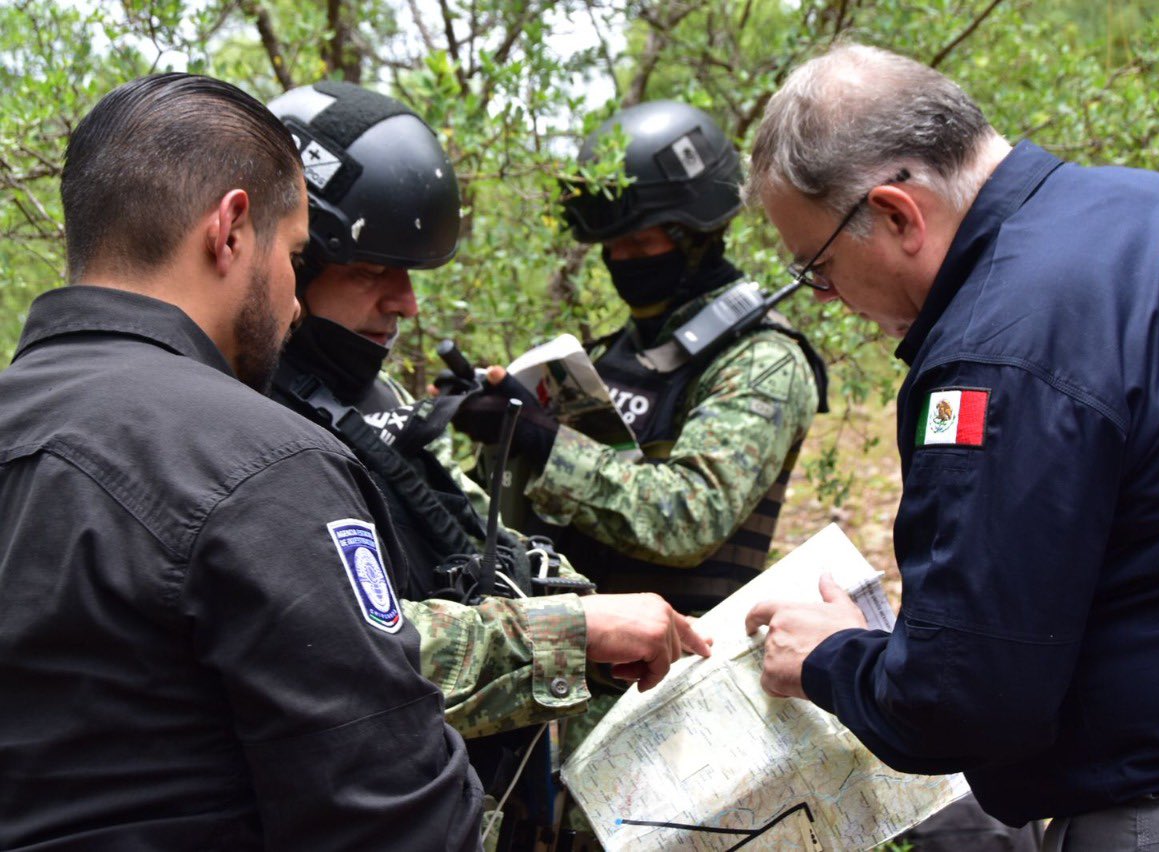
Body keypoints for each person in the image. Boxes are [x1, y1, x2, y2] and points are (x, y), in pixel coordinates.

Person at [743, 43, 1159, 849]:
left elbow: (968, 699)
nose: (828, 299)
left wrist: (829, 659)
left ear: (895, 214)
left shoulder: (996, 346)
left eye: (818, 268)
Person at [0, 73, 484, 850]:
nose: (294, 301)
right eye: (295, 254)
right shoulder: (266, 464)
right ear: (230, 231)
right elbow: (400, 817)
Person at [264, 82, 711, 849]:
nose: (406, 304)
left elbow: (469, 537)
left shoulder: (368, 391)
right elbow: (340, 657)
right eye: (374, 274)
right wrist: (573, 631)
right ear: (297, 263)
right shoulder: (246, 425)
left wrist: (579, 615)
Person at [455, 100, 827, 616]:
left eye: (641, 242)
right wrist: (500, 437)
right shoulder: (608, 355)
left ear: (698, 236)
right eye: (611, 246)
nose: (622, 261)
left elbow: (689, 519)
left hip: (673, 673)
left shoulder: (763, 360)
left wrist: (543, 440)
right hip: (566, 655)